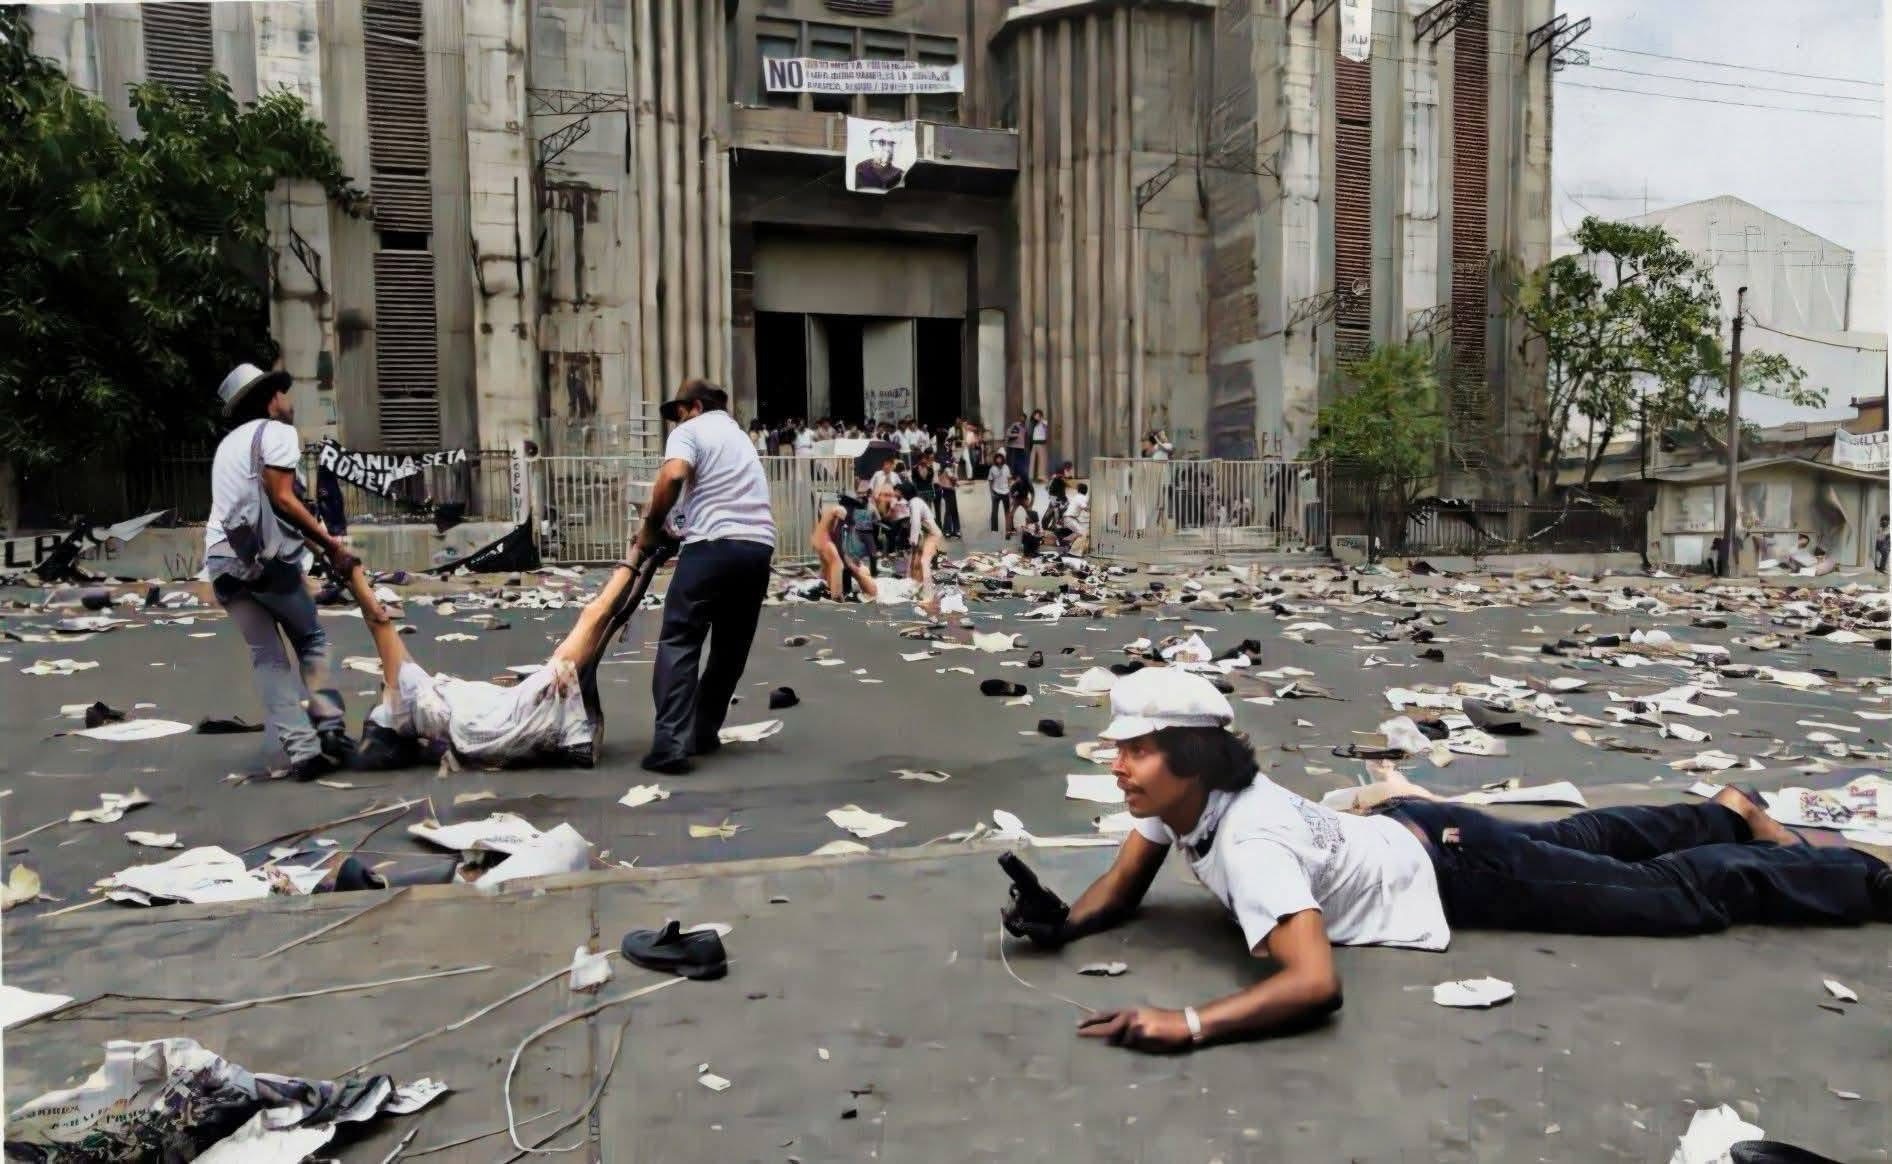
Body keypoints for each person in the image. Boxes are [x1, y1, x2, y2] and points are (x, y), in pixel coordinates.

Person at [1002, 669, 1892, 1053]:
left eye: (1137, 750)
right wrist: (1063, 921)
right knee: (1583, 841)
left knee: (1668, 897)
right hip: (1427, 827)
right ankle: (1726, 810)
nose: (1118, 766)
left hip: (1458, 868)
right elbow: (1122, 886)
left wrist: (1189, 1023)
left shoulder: (1249, 843)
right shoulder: (1181, 803)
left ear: (1190, 759)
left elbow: (1314, 984)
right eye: (1119, 749)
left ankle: (1862, 876)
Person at [343, 549, 658, 770]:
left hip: (503, 727)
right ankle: (642, 550)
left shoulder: (422, 714)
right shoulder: (409, 700)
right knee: (595, 619)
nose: (383, 689)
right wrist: (352, 573)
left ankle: (646, 557)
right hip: (513, 713)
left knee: (598, 629)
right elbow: (378, 620)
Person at [204, 364, 358, 780]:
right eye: (284, 394)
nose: (290, 403)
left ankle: (303, 753)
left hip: (222, 561)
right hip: (266, 561)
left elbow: (265, 508)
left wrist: (320, 548)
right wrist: (333, 547)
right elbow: (284, 500)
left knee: (267, 658)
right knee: (311, 640)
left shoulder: (227, 447)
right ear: (271, 399)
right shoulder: (277, 433)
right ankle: (331, 731)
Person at [637, 380, 777, 775]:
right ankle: (701, 731)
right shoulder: (740, 438)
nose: (676, 422)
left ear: (695, 406)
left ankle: (670, 745)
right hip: (757, 549)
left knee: (680, 639)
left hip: (713, 545)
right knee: (730, 648)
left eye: (679, 412)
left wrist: (651, 527)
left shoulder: (691, 430)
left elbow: (673, 476)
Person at [810, 497, 877, 602]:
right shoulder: (840, 512)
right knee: (838, 564)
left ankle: (835, 592)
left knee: (846, 568)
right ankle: (836, 597)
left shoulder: (847, 521)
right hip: (824, 540)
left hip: (827, 542)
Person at [893, 482, 944, 588]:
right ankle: (916, 582)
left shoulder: (914, 503)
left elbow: (916, 522)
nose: (899, 494)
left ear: (905, 493)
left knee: (923, 561)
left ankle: (926, 586)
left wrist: (913, 541)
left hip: (932, 535)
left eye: (901, 492)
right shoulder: (915, 501)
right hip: (929, 534)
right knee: (917, 560)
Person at [987, 449, 1014, 535]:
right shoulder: (992, 468)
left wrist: (1010, 492)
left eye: (1000, 458)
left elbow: (1009, 480)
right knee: (994, 511)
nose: (998, 459)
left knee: (1007, 512)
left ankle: (1009, 529)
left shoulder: (1006, 468)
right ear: (995, 459)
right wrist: (991, 492)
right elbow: (990, 481)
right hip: (996, 492)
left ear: (1003, 458)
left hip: (1006, 492)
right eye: (997, 458)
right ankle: (994, 530)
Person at [1005, 413, 1030, 482]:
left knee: (1019, 463)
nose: (1022, 419)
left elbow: (1025, 438)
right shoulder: (1015, 424)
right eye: (1021, 417)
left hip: (1021, 447)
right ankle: (1011, 476)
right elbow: (1008, 433)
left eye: (1024, 418)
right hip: (1013, 446)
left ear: (1025, 419)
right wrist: (1016, 435)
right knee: (1012, 462)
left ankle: (1018, 476)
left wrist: (1025, 447)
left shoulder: (1026, 427)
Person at [1029, 409, 1050, 481]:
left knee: (1042, 460)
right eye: (1034, 415)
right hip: (1034, 443)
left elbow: (1047, 426)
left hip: (1041, 443)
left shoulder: (1043, 422)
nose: (1035, 416)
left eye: (1037, 415)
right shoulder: (1035, 424)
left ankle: (1042, 476)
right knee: (1032, 460)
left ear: (1040, 415)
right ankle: (1031, 476)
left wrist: (1041, 420)